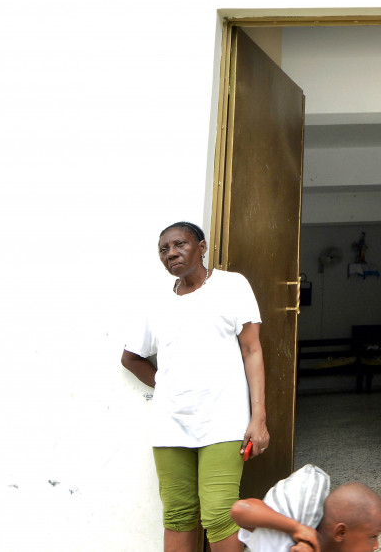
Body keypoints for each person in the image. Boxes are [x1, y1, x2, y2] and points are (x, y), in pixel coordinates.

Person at [120, 221, 270, 552]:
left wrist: (258, 417)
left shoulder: (232, 285)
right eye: (164, 249)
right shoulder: (157, 302)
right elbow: (131, 357)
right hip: (170, 424)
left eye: (180, 244)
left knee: (219, 514)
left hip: (223, 421)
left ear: (201, 247)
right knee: (178, 515)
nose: (171, 253)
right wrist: (165, 384)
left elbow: (252, 349)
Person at [230, 465, 381, 552]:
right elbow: (240, 510)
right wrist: (296, 528)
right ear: (341, 532)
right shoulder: (284, 534)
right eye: (372, 536)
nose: (376, 546)